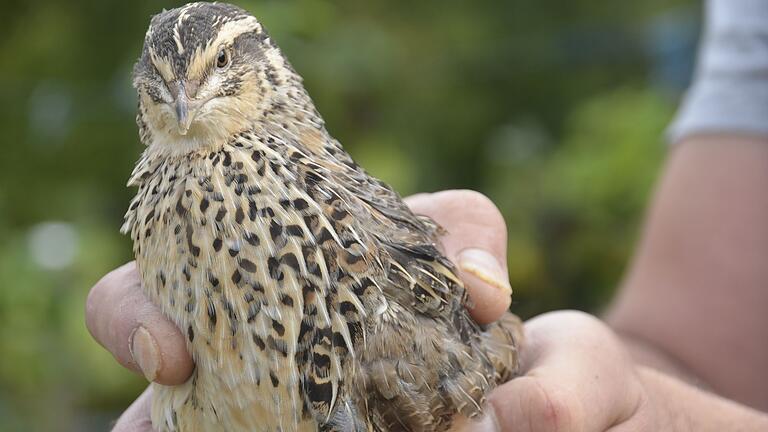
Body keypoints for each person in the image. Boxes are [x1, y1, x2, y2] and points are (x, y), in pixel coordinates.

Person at [86, 0, 768, 430]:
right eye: (167, 83)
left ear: (264, 71)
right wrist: (609, 390)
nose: (187, 100)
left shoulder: (343, 263)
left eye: (223, 64)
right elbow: (683, 356)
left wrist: (648, 413)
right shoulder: (169, 213)